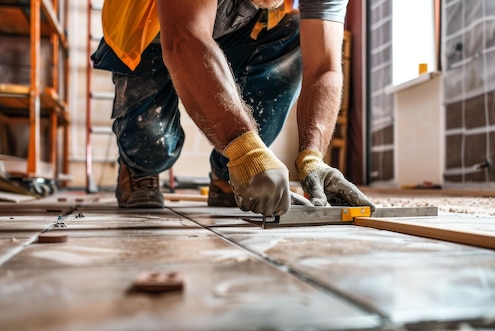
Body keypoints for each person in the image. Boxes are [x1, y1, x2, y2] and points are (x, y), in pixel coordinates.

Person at [91, 0, 375, 217]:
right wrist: (245, 151)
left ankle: (229, 177)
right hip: (148, 29)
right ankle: (138, 171)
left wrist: (313, 158)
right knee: (152, 146)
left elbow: (324, 67)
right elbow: (183, 40)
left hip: (236, 29)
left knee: (291, 30)